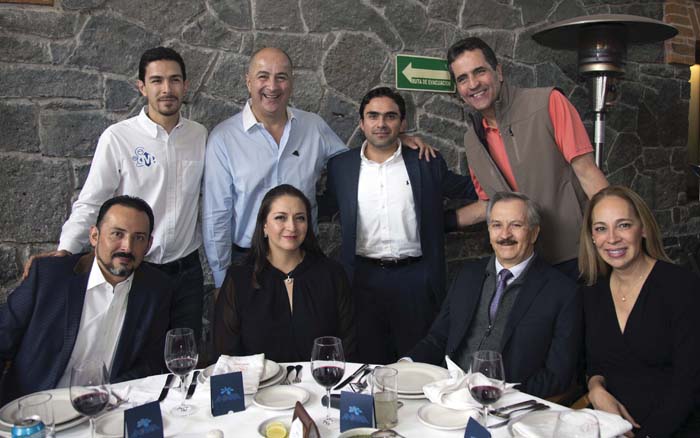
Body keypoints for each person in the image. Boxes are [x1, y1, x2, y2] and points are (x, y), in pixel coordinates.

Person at [202, 47, 435, 288]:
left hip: (304, 258)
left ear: (291, 82)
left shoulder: (313, 127)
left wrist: (392, 140)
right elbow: (216, 215)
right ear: (248, 81)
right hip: (250, 260)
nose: (272, 86)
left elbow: (355, 164)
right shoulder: (224, 138)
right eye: (263, 76)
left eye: (281, 77)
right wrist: (221, 280)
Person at [23, 47, 207, 338]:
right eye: (157, 80)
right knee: (136, 353)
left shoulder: (199, 135)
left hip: (187, 272)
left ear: (185, 85)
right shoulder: (118, 137)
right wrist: (66, 249)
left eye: (174, 80)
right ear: (142, 87)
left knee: (186, 350)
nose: (166, 89)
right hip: (136, 268)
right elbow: (92, 201)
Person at [324, 87, 476, 364]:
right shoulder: (340, 167)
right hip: (362, 280)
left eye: (390, 116)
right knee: (368, 362)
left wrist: (513, 180)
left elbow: (471, 188)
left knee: (419, 363)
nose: (381, 124)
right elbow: (323, 206)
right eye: (373, 116)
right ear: (361, 123)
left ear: (403, 123)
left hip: (415, 279)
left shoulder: (426, 162)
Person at [448, 37, 609, 280]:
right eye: (462, 78)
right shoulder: (472, 140)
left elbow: (588, 174)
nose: (473, 84)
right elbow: (487, 203)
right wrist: (441, 223)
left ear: (498, 72)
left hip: (576, 255)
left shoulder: (548, 103)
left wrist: (617, 233)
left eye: (479, 71)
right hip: (523, 265)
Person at [0, 196, 173, 404]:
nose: (127, 247)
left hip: (110, 408)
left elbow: (149, 362)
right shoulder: (48, 277)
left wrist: (111, 397)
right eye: (117, 234)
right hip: (38, 409)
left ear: (149, 245)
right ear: (94, 236)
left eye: (139, 238)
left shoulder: (156, 289)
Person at [408, 192, 582, 398]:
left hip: (507, 403)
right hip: (448, 392)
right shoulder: (467, 275)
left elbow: (557, 376)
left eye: (516, 225)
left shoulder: (562, 292)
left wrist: (501, 394)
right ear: (489, 230)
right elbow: (438, 338)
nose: (505, 235)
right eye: (497, 225)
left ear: (534, 233)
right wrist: (406, 365)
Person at [580, 186, 700, 437]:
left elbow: (689, 382)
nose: (612, 238)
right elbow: (595, 363)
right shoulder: (592, 292)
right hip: (608, 426)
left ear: (643, 229)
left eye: (623, 225)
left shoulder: (682, 286)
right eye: (601, 228)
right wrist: (595, 388)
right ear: (592, 237)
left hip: (673, 428)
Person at [212, 184, 355, 363]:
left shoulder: (332, 274)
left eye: (300, 218)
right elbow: (225, 358)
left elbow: (349, 346)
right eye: (281, 217)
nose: (292, 227)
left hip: (322, 379)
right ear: (264, 226)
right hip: (257, 381)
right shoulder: (238, 279)